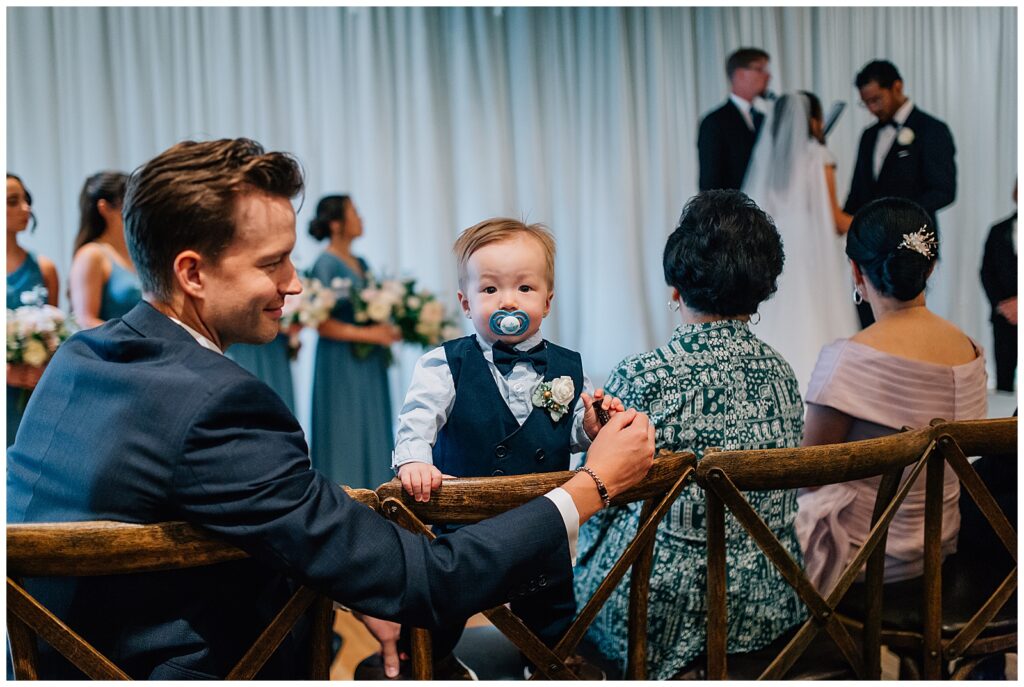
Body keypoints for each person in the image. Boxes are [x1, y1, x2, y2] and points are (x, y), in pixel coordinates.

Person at [6, 138, 656, 680]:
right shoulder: (221, 405)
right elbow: (432, 580)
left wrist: (348, 576)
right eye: (274, 262)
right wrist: (592, 484)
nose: (295, 282)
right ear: (193, 273)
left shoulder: (79, 357)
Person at [573, 190, 807, 680]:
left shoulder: (645, 376)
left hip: (659, 617)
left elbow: (596, 496)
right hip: (773, 605)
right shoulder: (783, 375)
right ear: (760, 290)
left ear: (675, 287)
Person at [392, 218, 624, 676]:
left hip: (542, 517)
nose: (509, 301)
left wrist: (592, 429)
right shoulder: (444, 363)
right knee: (442, 603)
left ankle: (547, 663)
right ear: (465, 302)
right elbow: (417, 419)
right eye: (490, 290)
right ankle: (425, 661)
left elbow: (568, 433)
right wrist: (415, 459)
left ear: (548, 300)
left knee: (550, 604)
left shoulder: (568, 366)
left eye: (524, 287)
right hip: (466, 522)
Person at [796, 197, 987, 595]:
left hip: (863, 565)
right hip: (942, 549)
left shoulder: (848, 359)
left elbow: (807, 477)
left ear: (855, 272)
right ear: (929, 266)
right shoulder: (970, 352)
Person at [742, 91, 859, 392]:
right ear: (814, 119)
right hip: (809, 251)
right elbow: (834, 220)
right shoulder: (818, 155)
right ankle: (821, 387)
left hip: (774, 247)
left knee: (778, 308)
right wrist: (871, 223)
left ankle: (769, 383)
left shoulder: (768, 162)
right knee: (815, 308)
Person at [844, 60, 957, 328]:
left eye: (876, 99)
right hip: (868, 248)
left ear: (897, 87)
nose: (872, 108)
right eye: (866, 102)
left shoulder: (932, 130)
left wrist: (896, 218)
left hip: (912, 245)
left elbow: (944, 190)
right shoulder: (869, 135)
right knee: (868, 323)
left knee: (909, 324)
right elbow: (858, 192)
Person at [308, 194, 400, 490]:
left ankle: (378, 494)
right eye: (354, 212)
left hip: (370, 361)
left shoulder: (361, 262)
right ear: (336, 224)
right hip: (341, 362)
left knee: (373, 424)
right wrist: (370, 335)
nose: (361, 218)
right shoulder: (325, 264)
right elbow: (321, 322)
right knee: (344, 427)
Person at [7, 173, 59, 446]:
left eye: (26, 200)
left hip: (36, 392)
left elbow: (56, 338)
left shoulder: (45, 269)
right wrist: (9, 373)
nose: (25, 208)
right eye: (13, 201)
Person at [68, 171, 142, 328]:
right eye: (129, 202)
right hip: (116, 349)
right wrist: (134, 339)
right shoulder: (92, 254)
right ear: (105, 208)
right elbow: (85, 320)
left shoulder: (137, 250)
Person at [697, 47, 771, 191]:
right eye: (760, 69)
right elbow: (709, 183)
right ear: (740, 74)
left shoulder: (764, 120)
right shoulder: (714, 122)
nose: (768, 76)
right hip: (735, 211)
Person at [980, 181, 1017, 392]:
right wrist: (1003, 305)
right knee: (1003, 381)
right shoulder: (997, 230)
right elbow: (986, 272)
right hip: (1004, 317)